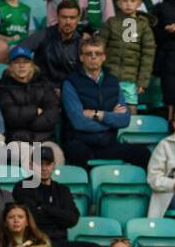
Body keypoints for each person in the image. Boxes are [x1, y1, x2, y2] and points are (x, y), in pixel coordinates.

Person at [60, 37, 152, 168]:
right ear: (81, 57)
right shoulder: (70, 83)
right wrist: (111, 120)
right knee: (77, 152)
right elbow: (79, 122)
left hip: (106, 143)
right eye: (88, 54)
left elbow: (124, 120)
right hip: (80, 142)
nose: (93, 57)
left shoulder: (113, 82)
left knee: (142, 153)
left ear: (104, 57)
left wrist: (99, 114)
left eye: (97, 53)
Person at [101, 0, 157, 111]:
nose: (128, 4)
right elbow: (100, 47)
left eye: (132, 1)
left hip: (131, 79)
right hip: (110, 76)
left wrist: (142, 81)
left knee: (131, 107)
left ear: (139, 3)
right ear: (118, 3)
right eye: (125, 1)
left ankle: (132, 130)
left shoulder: (144, 27)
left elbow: (148, 56)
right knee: (110, 106)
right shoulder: (111, 23)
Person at [25, 1, 84, 88]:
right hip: (43, 88)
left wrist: (66, 90)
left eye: (72, 18)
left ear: (78, 19)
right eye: (64, 17)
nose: (68, 22)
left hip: (69, 90)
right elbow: (20, 51)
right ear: (57, 17)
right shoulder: (43, 35)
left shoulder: (82, 43)